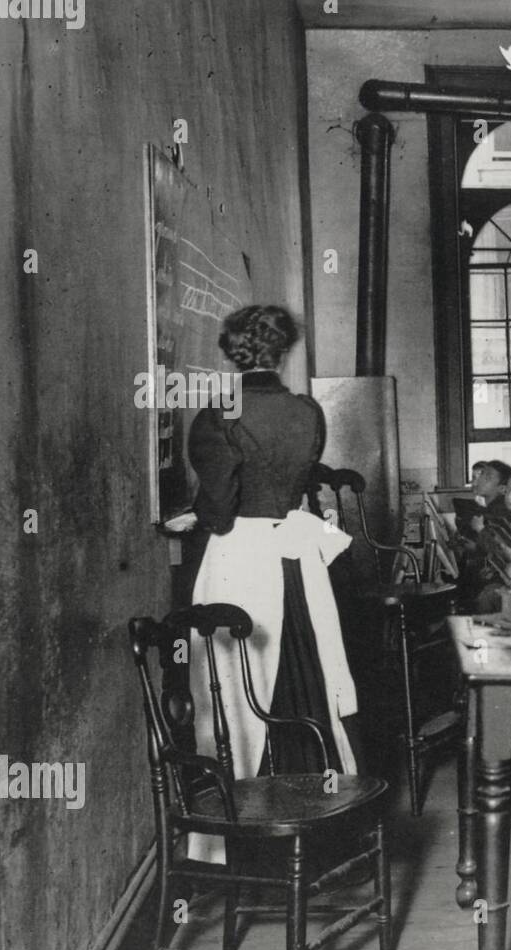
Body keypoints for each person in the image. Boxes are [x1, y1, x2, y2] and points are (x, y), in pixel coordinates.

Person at [187, 305, 359, 862]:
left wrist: (194, 516)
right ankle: (321, 837)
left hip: (239, 559)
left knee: (235, 695)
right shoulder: (307, 411)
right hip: (294, 564)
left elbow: (217, 510)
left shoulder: (221, 413)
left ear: (231, 351)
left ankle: (243, 848)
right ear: (282, 350)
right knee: (301, 677)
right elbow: (292, 483)